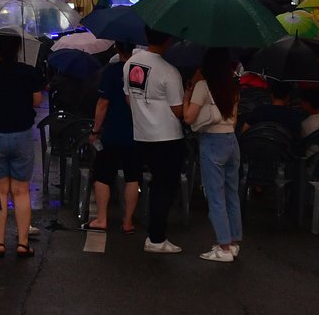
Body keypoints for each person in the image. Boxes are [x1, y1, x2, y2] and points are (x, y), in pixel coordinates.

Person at [0, 31, 46, 257]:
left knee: (0, 191)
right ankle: (23, 243)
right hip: (21, 134)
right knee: (21, 191)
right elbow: (37, 101)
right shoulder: (28, 72)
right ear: (18, 49)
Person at [126, 28, 186, 253]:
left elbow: (128, 98)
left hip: (141, 133)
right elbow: (179, 110)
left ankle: (155, 235)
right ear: (169, 40)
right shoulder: (169, 71)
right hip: (168, 136)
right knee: (164, 187)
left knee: (155, 185)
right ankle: (156, 238)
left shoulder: (131, 64)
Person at [184, 49, 242, 262]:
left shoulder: (203, 86)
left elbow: (189, 118)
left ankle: (223, 247)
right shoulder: (233, 87)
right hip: (231, 141)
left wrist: (188, 93)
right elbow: (234, 120)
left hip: (212, 142)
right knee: (231, 194)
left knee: (215, 196)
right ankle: (233, 243)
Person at [86, 42, 140, 233]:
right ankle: (127, 222)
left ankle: (101, 218)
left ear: (117, 47)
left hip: (112, 131)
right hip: (136, 131)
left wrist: (95, 131)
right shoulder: (139, 71)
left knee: (103, 174)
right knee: (133, 176)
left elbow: (103, 103)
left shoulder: (111, 71)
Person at [240, 81, 305, 138]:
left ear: (271, 95)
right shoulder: (294, 116)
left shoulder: (259, 110)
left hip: (256, 148)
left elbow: (244, 131)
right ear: (288, 97)